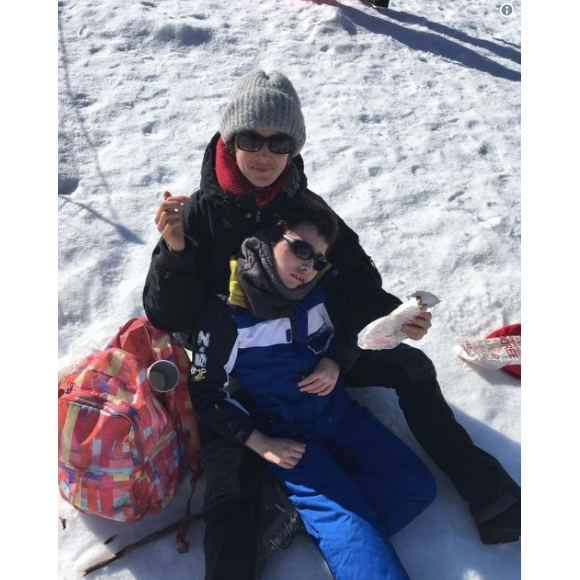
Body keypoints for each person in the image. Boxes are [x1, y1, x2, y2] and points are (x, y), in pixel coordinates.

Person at [143, 69, 520, 576]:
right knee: (229, 491)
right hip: (233, 369)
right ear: (230, 140)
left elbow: (352, 280)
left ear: (293, 149)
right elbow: (168, 316)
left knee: (412, 368)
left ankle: (491, 496)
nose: (263, 152)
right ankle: (269, 522)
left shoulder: (301, 205)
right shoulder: (195, 215)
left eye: (279, 141)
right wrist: (176, 254)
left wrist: (391, 316)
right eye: (250, 138)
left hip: (309, 352)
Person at [188, 195, 436, 580]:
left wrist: (336, 360)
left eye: (317, 258)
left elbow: (356, 329)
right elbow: (206, 392)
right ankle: (342, 525)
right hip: (288, 438)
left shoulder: (323, 290)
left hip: (340, 415)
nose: (308, 266)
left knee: (416, 488)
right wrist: (259, 442)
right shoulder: (226, 311)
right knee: (354, 533)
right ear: (269, 239)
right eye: (300, 249)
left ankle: (308, 517)